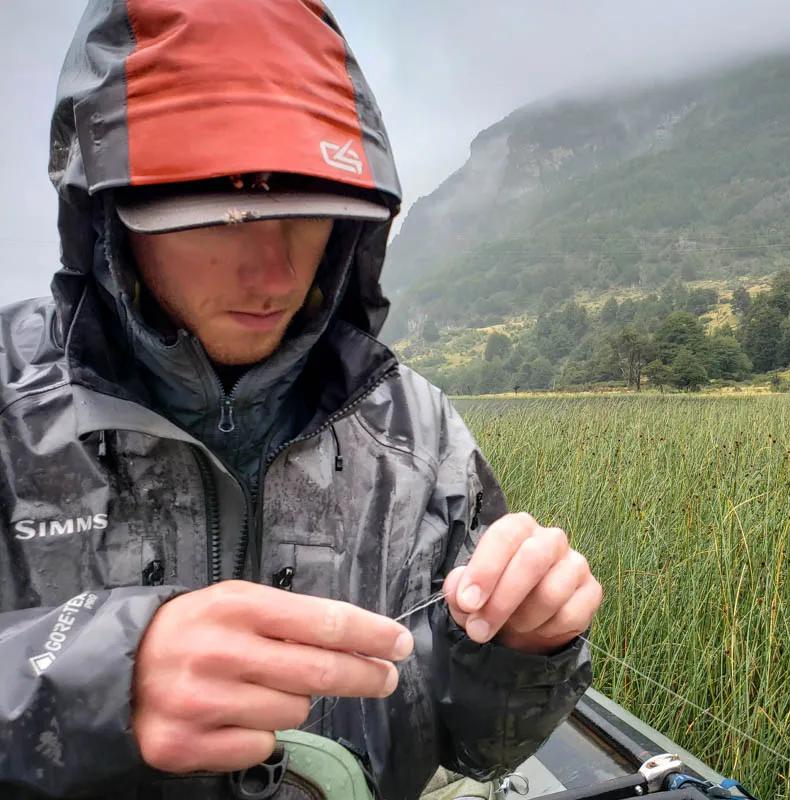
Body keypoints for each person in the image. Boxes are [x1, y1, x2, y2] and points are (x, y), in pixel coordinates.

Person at [0, 1, 601, 798]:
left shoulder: (418, 437)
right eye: (222, 216)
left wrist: (522, 650)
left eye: (310, 212)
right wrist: (92, 684)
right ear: (108, 216)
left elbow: (476, 748)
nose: (277, 274)